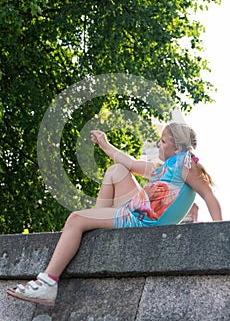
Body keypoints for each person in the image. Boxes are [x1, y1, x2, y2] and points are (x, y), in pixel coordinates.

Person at [7, 122, 222, 307]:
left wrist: (219, 230)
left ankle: (47, 283)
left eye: (163, 141)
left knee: (76, 218)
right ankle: (95, 222)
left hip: (139, 221)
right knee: (116, 170)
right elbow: (127, 162)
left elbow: (208, 195)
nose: (159, 144)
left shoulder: (185, 164)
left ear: (177, 147)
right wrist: (105, 143)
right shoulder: (164, 167)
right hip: (133, 212)